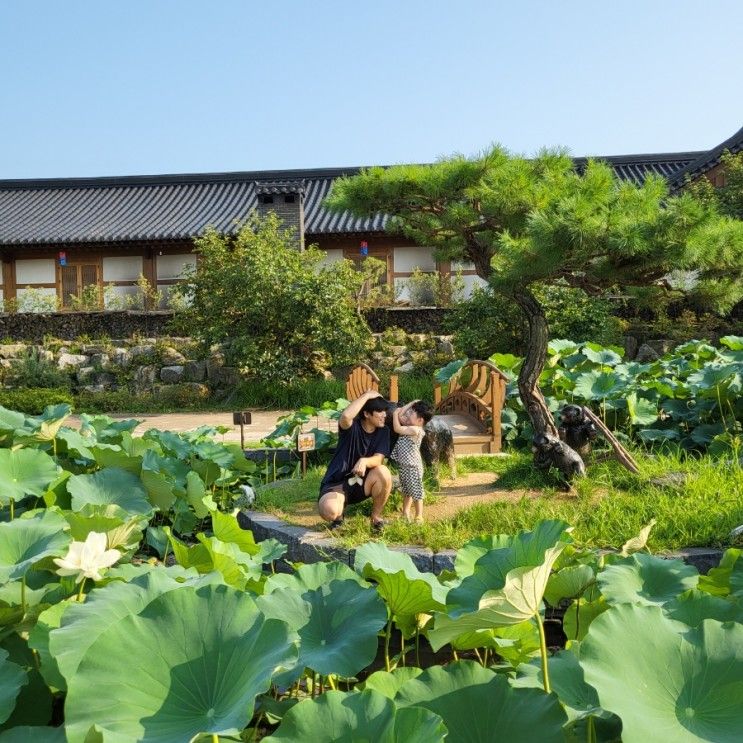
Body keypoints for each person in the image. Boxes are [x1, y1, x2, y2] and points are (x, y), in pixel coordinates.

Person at [317, 390, 392, 532]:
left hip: (363, 483)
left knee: (384, 472)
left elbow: (379, 458)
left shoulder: (384, 431)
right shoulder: (351, 428)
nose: (384, 415)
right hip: (337, 483)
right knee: (330, 511)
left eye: (385, 411)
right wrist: (367, 395)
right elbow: (345, 416)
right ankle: (339, 517)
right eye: (379, 411)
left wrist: (364, 461)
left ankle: (376, 518)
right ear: (366, 414)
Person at [391, 400, 433, 522]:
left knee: (416, 491)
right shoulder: (411, 425)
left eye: (412, 413)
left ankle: (419, 515)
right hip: (404, 465)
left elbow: (397, 427)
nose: (408, 414)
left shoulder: (416, 430)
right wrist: (412, 403)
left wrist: (394, 414)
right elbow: (400, 415)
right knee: (407, 491)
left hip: (413, 466)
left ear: (420, 420)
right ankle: (405, 513)